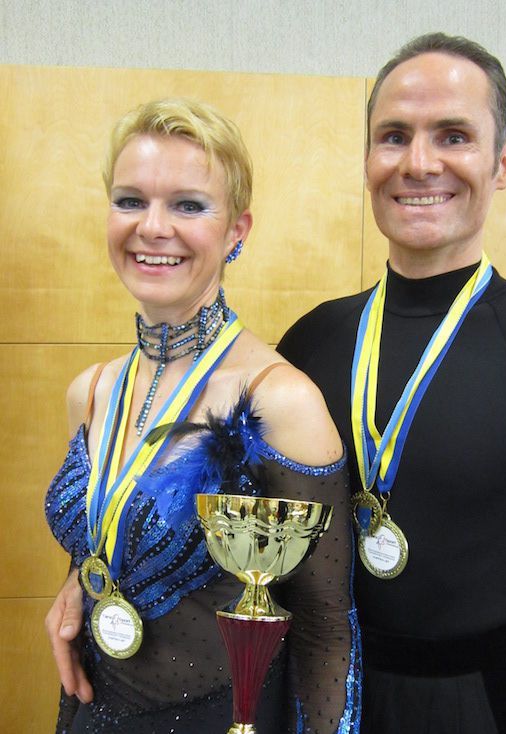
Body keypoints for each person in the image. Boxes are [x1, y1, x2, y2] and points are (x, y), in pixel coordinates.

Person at [277, 33, 506, 734]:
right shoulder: (309, 341)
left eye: (453, 135)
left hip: (472, 706)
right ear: (368, 160)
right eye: (393, 136)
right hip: (315, 695)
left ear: (502, 162)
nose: (418, 163)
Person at [44, 98, 361, 734]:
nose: (152, 227)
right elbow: (107, 536)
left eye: (188, 205)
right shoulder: (91, 391)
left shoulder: (280, 401)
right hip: (93, 710)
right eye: (130, 200)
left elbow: (326, 626)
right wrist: (77, 584)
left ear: (236, 231)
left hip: (221, 717)